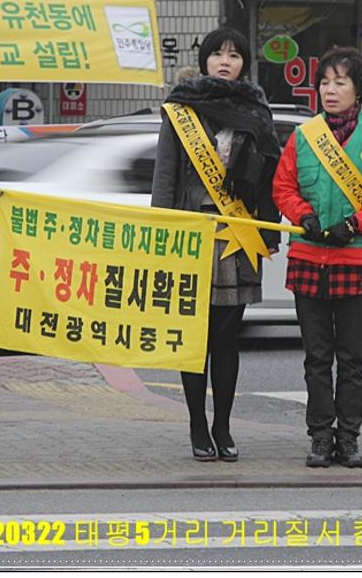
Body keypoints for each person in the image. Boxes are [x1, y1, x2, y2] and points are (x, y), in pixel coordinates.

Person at [151, 27, 282, 462]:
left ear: (244, 63)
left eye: (234, 55)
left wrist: (267, 230)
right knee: (195, 337)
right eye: (217, 54)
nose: (225, 61)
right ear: (204, 60)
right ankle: (196, 424)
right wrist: (162, 234)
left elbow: (268, 179)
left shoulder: (257, 110)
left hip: (239, 234)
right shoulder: (181, 109)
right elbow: (165, 177)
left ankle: (223, 425)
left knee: (228, 337)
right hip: (193, 232)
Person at [272, 46, 362, 468]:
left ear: (359, 90)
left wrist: (356, 224)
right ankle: (319, 437)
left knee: (351, 359)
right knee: (316, 358)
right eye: (325, 82)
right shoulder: (303, 137)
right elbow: (284, 188)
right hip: (310, 259)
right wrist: (303, 215)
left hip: (358, 262)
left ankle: (348, 439)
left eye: (340, 82)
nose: (330, 90)